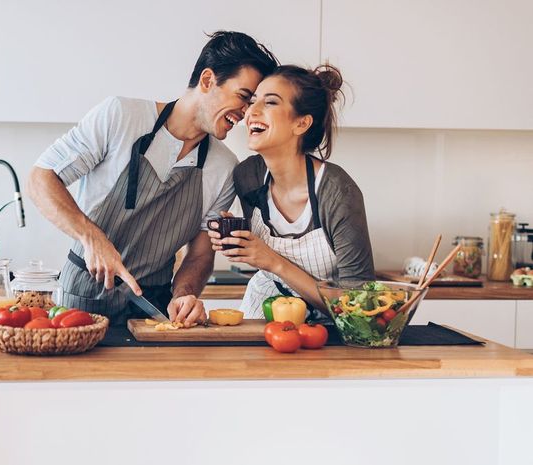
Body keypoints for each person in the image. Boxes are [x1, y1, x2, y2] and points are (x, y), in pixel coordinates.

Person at [29, 31, 279, 325]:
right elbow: (41, 178)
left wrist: (184, 295)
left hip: (153, 309)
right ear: (208, 80)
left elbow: (199, 254)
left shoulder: (224, 167)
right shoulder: (121, 117)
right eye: (244, 97)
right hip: (82, 300)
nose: (248, 113)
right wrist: (91, 237)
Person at [209, 64, 375, 319]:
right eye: (253, 101)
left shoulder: (338, 192)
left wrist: (271, 260)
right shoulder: (248, 175)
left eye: (270, 102)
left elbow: (359, 307)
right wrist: (239, 237)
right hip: (264, 308)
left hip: (331, 325)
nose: (251, 111)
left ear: (302, 123)